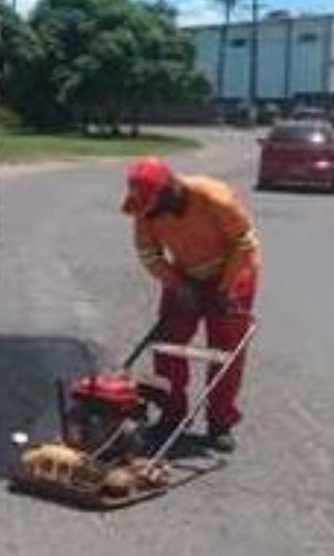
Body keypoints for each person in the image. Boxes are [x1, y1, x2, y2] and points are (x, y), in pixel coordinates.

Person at [120, 157, 261, 452]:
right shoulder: (144, 209)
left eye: (154, 207)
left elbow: (243, 242)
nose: (150, 215)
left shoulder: (213, 196)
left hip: (234, 271)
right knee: (167, 343)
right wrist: (176, 284)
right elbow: (149, 254)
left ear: (170, 189)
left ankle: (220, 422)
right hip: (185, 273)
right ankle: (172, 415)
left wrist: (225, 288)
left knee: (226, 351)